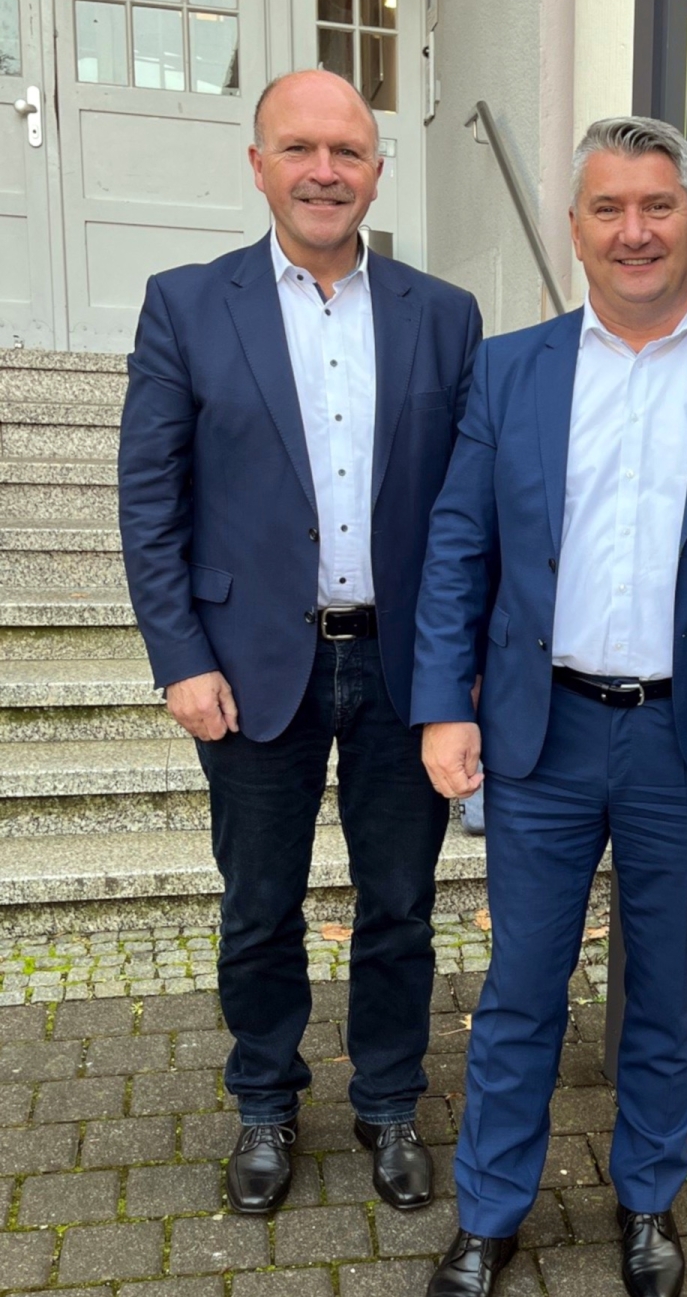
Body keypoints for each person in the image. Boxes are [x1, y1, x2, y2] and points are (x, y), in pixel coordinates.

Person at [412, 116, 687, 1297]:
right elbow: (460, 545)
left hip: (686, 743)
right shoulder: (511, 370)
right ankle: (489, 1212)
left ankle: (648, 1200)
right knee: (520, 987)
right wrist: (441, 703)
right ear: (575, 230)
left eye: (658, 206)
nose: (635, 231)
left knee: (666, 994)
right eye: (610, 208)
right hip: (545, 734)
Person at [118, 69, 481, 1218]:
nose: (325, 170)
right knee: (259, 903)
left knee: (400, 906)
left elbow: (473, 511)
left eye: (348, 150)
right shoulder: (186, 303)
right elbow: (150, 496)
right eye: (301, 149)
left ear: (378, 169)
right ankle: (265, 1101)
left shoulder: (444, 314)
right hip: (248, 662)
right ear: (261, 164)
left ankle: (387, 1103)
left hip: (402, 666)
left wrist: (462, 667)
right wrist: (180, 655)